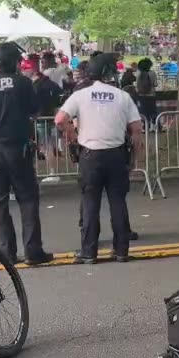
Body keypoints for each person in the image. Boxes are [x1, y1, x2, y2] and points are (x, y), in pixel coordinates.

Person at [55, 53, 144, 265]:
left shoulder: (81, 95)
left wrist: (73, 135)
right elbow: (136, 130)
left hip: (90, 155)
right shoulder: (123, 96)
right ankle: (121, 251)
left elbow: (60, 119)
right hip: (116, 154)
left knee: (90, 203)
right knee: (118, 203)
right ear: (109, 72)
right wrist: (134, 159)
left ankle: (89, 253)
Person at [0, 42, 52, 265]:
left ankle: (7, 253)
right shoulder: (22, 83)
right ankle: (33, 251)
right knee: (27, 199)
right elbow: (35, 113)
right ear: (13, 62)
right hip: (17, 148)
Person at [27, 60, 63, 183]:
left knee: (45, 146)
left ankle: (52, 172)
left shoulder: (34, 86)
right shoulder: (52, 84)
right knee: (49, 146)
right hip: (52, 118)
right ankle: (52, 171)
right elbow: (59, 101)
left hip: (40, 119)